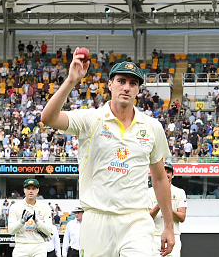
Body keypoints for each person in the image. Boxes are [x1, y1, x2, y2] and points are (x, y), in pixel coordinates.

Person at [41, 51, 175, 257]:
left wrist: (168, 226)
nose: (127, 87)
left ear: (138, 89)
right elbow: (48, 118)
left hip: (136, 219)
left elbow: (159, 179)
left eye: (133, 83)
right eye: (121, 81)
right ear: (110, 85)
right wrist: (70, 81)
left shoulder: (152, 127)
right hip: (96, 220)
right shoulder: (90, 119)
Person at [8, 178, 55, 257]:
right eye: (28, 188)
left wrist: (37, 221)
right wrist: (21, 222)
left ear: (37, 190)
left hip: (39, 246)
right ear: (24, 190)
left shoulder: (44, 207)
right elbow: (11, 231)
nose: (31, 191)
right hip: (21, 246)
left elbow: (48, 231)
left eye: (33, 188)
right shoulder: (15, 207)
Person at [149, 163, 187, 257]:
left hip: (173, 236)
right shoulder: (149, 192)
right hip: (154, 237)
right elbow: (148, 216)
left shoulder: (179, 192)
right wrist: (161, 202)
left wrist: (167, 207)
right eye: (163, 171)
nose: (166, 174)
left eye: (168, 172)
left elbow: (182, 217)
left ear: (173, 175)